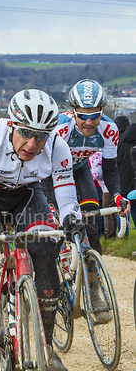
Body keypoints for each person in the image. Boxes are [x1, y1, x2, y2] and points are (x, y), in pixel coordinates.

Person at [0, 88, 85, 371]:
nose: (33, 143)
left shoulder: (57, 146)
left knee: (45, 253)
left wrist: (70, 220)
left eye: (41, 136)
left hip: (26, 197)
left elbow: (65, 194)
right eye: (26, 132)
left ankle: (47, 346)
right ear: (12, 124)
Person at [43, 79, 130, 254]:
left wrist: (117, 195)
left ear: (102, 112)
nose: (88, 122)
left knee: (91, 223)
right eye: (82, 116)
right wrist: (51, 203)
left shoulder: (109, 129)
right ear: (73, 112)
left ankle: (92, 277)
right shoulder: (59, 128)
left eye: (94, 116)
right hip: (50, 174)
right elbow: (44, 168)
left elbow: (110, 168)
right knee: (56, 227)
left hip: (80, 171)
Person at [116, 117, 136, 233]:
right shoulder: (131, 140)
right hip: (132, 177)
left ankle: (123, 232)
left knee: (123, 207)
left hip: (122, 178)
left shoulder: (116, 141)